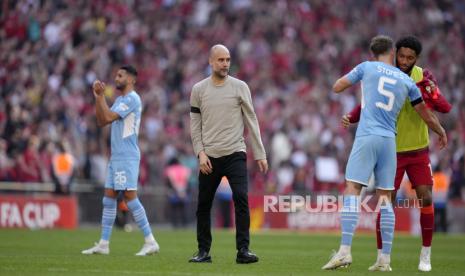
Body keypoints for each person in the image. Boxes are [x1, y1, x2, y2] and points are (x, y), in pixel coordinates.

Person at [322, 35, 447, 271]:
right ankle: (385, 260)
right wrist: (440, 130)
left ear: (373, 53)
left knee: (352, 188)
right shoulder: (405, 79)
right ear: (392, 53)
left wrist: (358, 87)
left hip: (368, 136)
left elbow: (337, 87)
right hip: (391, 141)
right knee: (385, 197)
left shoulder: (367, 67)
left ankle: (345, 251)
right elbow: (424, 111)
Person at [189, 44, 268, 264]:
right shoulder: (198, 89)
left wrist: (260, 153)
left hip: (235, 152)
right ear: (211, 62)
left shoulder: (240, 87)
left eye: (228, 60)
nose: (225, 64)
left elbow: (251, 120)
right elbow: (195, 125)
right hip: (209, 157)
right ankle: (203, 251)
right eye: (221, 60)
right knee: (203, 204)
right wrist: (200, 153)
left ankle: (243, 250)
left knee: (241, 199)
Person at [82, 65, 159, 256]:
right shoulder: (119, 100)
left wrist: (101, 97)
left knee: (129, 198)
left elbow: (107, 116)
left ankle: (150, 241)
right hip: (116, 156)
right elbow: (102, 121)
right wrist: (98, 97)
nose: (116, 78)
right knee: (108, 197)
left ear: (131, 79)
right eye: (116, 75)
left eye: (120, 75)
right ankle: (103, 244)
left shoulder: (132, 99)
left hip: (127, 156)